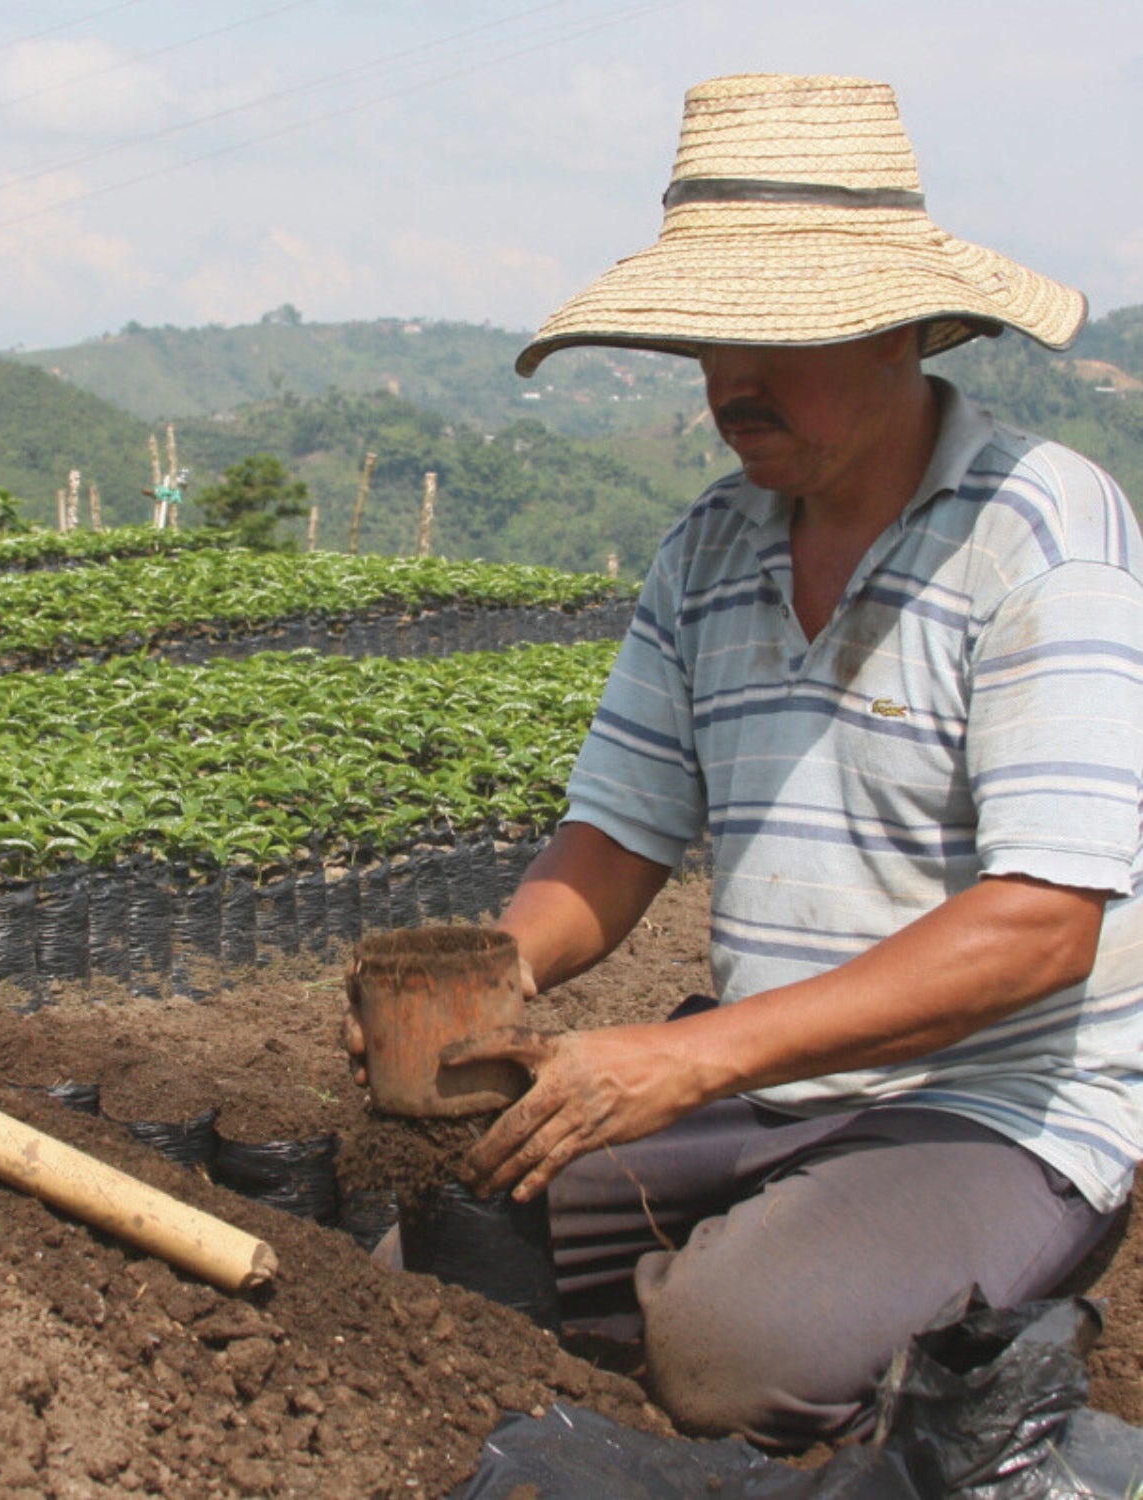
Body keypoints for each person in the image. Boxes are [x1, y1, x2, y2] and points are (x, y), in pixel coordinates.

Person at [345, 73, 1143, 1448]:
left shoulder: (1038, 534)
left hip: (992, 1105)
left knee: (731, 1352)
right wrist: (500, 976)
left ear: (902, 328)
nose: (733, 378)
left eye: (779, 333)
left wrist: (692, 1057)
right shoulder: (712, 549)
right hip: (766, 1089)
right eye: (711, 336)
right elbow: (615, 841)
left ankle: (964, 1310)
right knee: (430, 1269)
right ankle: (770, 1267)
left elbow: (1039, 930)